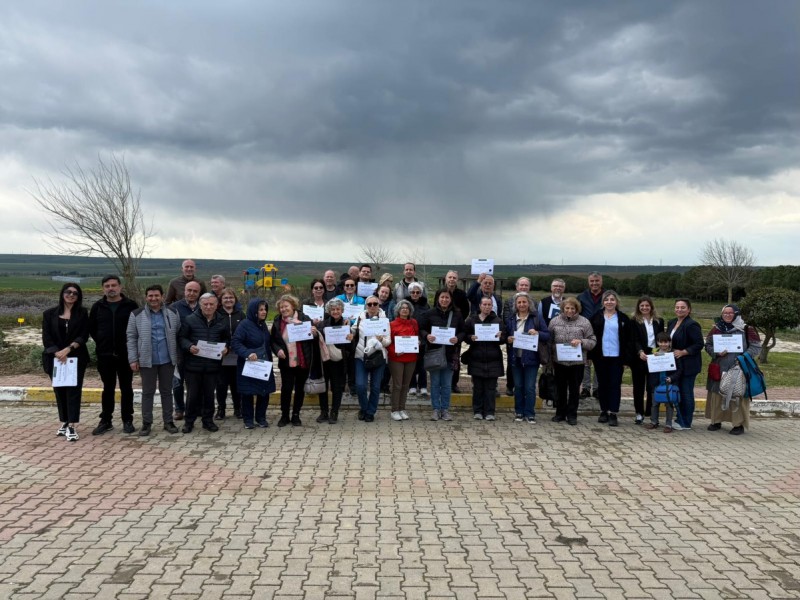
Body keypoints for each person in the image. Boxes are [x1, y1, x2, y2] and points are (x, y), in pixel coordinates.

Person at [126, 284, 181, 436]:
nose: (153, 298)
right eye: (150, 296)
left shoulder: (173, 312)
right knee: (147, 393)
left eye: (157, 295)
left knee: (166, 392)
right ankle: (146, 423)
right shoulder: (136, 314)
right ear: (146, 297)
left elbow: (177, 333)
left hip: (167, 360)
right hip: (146, 360)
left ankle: (168, 422)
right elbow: (131, 337)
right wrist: (133, 359)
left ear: (162, 296)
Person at [89, 275, 139, 435]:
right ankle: (106, 420)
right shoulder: (97, 307)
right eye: (107, 286)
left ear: (120, 287)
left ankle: (127, 420)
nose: (111, 288)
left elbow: (137, 329)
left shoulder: (131, 305)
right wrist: (103, 343)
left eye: (113, 285)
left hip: (126, 355)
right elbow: (93, 329)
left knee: (126, 388)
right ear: (103, 288)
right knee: (108, 388)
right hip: (105, 355)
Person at [42, 283, 90, 442]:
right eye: (68, 292)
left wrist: (68, 350)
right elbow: (46, 338)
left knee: (73, 391)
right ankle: (64, 421)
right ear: (62, 294)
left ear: (78, 296)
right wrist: (57, 352)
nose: (71, 295)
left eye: (75, 293)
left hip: (76, 358)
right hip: (55, 360)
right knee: (60, 391)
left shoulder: (82, 313)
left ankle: (72, 425)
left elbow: (84, 335)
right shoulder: (49, 314)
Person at [704, 304, 762, 435]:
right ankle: (716, 420)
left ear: (736, 314)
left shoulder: (747, 329)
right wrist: (716, 353)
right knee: (717, 393)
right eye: (725, 313)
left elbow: (756, 347)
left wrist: (743, 357)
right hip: (719, 367)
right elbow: (707, 344)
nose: (727, 315)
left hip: (739, 367)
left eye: (730, 313)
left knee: (737, 394)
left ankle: (738, 424)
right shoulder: (716, 329)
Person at [178, 293, 229, 433]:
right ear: (200, 305)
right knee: (192, 396)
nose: (208, 307)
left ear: (216, 305)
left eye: (211, 304)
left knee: (209, 395)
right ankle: (189, 422)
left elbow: (227, 338)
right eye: (205, 304)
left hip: (212, 366)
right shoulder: (189, 320)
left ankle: (208, 421)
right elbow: (182, 338)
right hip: (193, 365)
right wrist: (189, 346)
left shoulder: (222, 321)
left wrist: (226, 348)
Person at [548, 297, 596, 425]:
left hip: (577, 364)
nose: (569, 310)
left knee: (574, 390)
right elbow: (549, 340)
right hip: (559, 362)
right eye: (567, 308)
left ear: (577, 309)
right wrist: (550, 357)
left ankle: (572, 415)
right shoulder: (554, 321)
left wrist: (581, 342)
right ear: (563, 308)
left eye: (572, 308)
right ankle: (560, 413)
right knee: (561, 389)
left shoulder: (584, 322)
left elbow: (592, 341)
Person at [419, 288, 465, 421]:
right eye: (442, 297)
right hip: (434, 353)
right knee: (434, 383)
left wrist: (458, 338)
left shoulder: (457, 314)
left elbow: (463, 331)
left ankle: (445, 409)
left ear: (451, 300)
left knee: (446, 384)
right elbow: (421, 329)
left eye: (447, 297)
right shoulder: (430, 313)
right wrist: (427, 336)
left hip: (450, 354)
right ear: (438, 299)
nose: (444, 300)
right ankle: (435, 409)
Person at [271, 294, 316, 427]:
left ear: (293, 306)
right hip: (286, 362)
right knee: (286, 388)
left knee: (299, 389)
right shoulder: (277, 321)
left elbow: (311, 338)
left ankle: (296, 415)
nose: (284, 309)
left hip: (302, 360)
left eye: (286, 306)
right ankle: (284, 415)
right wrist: (277, 350)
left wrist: (313, 333)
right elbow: (273, 340)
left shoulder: (304, 318)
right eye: (281, 307)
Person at [505, 292, 550, 423]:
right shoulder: (511, 319)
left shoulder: (536, 318)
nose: (522, 304)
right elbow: (506, 336)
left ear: (529, 303)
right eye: (519, 302)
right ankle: (519, 412)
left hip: (531, 359)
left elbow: (547, 335)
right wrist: (508, 339)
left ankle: (530, 413)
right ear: (515, 305)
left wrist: (537, 333)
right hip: (516, 358)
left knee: (530, 387)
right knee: (518, 386)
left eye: (524, 302)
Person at [231, 298, 276, 429]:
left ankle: (261, 417)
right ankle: (248, 419)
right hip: (249, 365)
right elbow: (236, 342)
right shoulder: (244, 325)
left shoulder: (262, 326)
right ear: (253, 310)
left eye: (265, 309)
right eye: (261, 309)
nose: (264, 312)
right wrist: (247, 353)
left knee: (264, 392)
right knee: (248, 393)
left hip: (263, 364)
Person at [588, 290, 630, 427]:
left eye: (612, 299)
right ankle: (603, 411)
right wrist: (589, 356)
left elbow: (628, 341)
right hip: (600, 357)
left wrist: (626, 360)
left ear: (616, 302)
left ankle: (613, 413)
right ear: (603, 302)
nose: (609, 302)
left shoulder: (623, 318)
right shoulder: (596, 317)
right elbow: (591, 337)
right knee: (602, 385)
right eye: (606, 300)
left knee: (615, 385)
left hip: (617, 358)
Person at [349, 295, 391, 422]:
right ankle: (364, 408)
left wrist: (382, 339)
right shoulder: (360, 317)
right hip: (361, 355)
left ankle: (370, 412)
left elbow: (388, 342)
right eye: (370, 304)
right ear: (366, 306)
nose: (372, 306)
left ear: (379, 305)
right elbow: (353, 331)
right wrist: (349, 332)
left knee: (376, 387)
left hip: (378, 357)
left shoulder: (385, 320)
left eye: (375, 304)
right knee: (360, 386)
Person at [465, 296, 506, 420]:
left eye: (489, 305)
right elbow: (465, 335)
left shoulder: (498, 321)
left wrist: (501, 336)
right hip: (476, 357)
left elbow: (503, 339)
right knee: (477, 387)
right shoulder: (472, 319)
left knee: (490, 388)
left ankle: (489, 412)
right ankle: (477, 411)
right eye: (485, 304)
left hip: (493, 358)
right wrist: (470, 337)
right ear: (480, 306)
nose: (487, 307)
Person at [666, 298, 704, 430]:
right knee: (679, 392)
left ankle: (686, 422)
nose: (679, 310)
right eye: (677, 307)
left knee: (686, 393)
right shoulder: (672, 322)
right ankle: (679, 418)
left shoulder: (692, 324)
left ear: (689, 309)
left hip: (688, 365)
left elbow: (699, 344)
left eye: (683, 307)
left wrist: (684, 352)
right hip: (676, 365)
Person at [629, 296, 665, 425]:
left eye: (647, 305)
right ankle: (639, 413)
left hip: (654, 356)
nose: (644, 308)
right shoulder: (633, 321)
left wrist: (658, 352)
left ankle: (650, 412)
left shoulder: (659, 321)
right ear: (638, 307)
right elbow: (634, 339)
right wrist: (639, 351)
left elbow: (661, 338)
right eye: (642, 305)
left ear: (651, 307)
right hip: (639, 357)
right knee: (638, 387)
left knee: (652, 386)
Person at [318, 298, 350, 424]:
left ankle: (334, 412)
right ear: (329, 311)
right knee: (323, 387)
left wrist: (350, 338)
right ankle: (324, 412)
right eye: (333, 309)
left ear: (342, 310)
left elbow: (350, 347)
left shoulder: (346, 325)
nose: (335, 311)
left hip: (339, 361)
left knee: (337, 388)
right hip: (325, 360)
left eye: (338, 309)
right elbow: (318, 339)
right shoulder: (323, 324)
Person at [216, 288, 246, 420]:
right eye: (225, 298)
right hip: (221, 355)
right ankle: (221, 409)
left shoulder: (241, 315)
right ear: (220, 300)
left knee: (236, 383)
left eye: (231, 298)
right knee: (221, 384)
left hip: (237, 355)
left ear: (235, 300)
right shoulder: (216, 314)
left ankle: (238, 409)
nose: (228, 300)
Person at [388, 299, 419, 421]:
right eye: (402, 308)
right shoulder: (392, 324)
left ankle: (402, 408)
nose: (405, 309)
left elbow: (416, 336)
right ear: (398, 310)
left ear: (410, 310)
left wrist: (417, 342)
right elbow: (388, 342)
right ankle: (394, 410)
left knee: (406, 385)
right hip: (397, 358)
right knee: (397, 384)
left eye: (407, 308)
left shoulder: (414, 323)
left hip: (411, 357)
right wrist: (395, 351)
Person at [644, 332, 681, 433]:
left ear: (669, 342)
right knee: (654, 404)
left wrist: (672, 378)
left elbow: (679, 370)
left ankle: (668, 424)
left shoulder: (674, 354)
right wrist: (651, 359)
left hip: (669, 384)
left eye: (666, 342)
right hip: (656, 384)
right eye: (661, 342)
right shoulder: (654, 353)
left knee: (669, 404)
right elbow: (649, 368)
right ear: (657, 342)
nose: (663, 344)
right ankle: (654, 422)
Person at [501, 277, 532, 397]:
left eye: (526, 285)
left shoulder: (534, 302)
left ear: (529, 287)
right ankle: (510, 385)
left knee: (527, 362)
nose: (523, 287)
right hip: (513, 337)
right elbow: (507, 319)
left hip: (528, 338)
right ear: (517, 287)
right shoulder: (509, 301)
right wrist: (511, 335)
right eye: (521, 285)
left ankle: (523, 386)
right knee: (512, 362)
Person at [578, 271, 604, 398]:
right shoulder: (582, 296)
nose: (594, 283)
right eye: (592, 281)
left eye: (597, 281)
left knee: (599, 361)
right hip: (585, 333)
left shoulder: (607, 296)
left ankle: (598, 388)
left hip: (602, 334)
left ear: (601, 281)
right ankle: (586, 388)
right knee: (586, 362)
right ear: (588, 282)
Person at [443, 270, 470, 393]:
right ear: (446, 279)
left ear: (457, 280)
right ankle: (442, 382)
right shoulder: (441, 292)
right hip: (442, 331)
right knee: (441, 356)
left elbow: (466, 311)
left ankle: (454, 383)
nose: (452, 279)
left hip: (456, 330)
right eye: (450, 277)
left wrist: (457, 321)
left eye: (454, 277)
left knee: (455, 359)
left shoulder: (461, 294)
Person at [407, 282, 430, 398]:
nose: (415, 294)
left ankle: (423, 386)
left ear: (421, 294)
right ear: (409, 293)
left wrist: (423, 337)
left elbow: (428, 322)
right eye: (413, 292)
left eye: (417, 292)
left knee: (421, 364)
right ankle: (412, 386)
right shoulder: (405, 304)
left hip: (422, 337)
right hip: (408, 338)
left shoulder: (426, 305)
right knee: (411, 362)